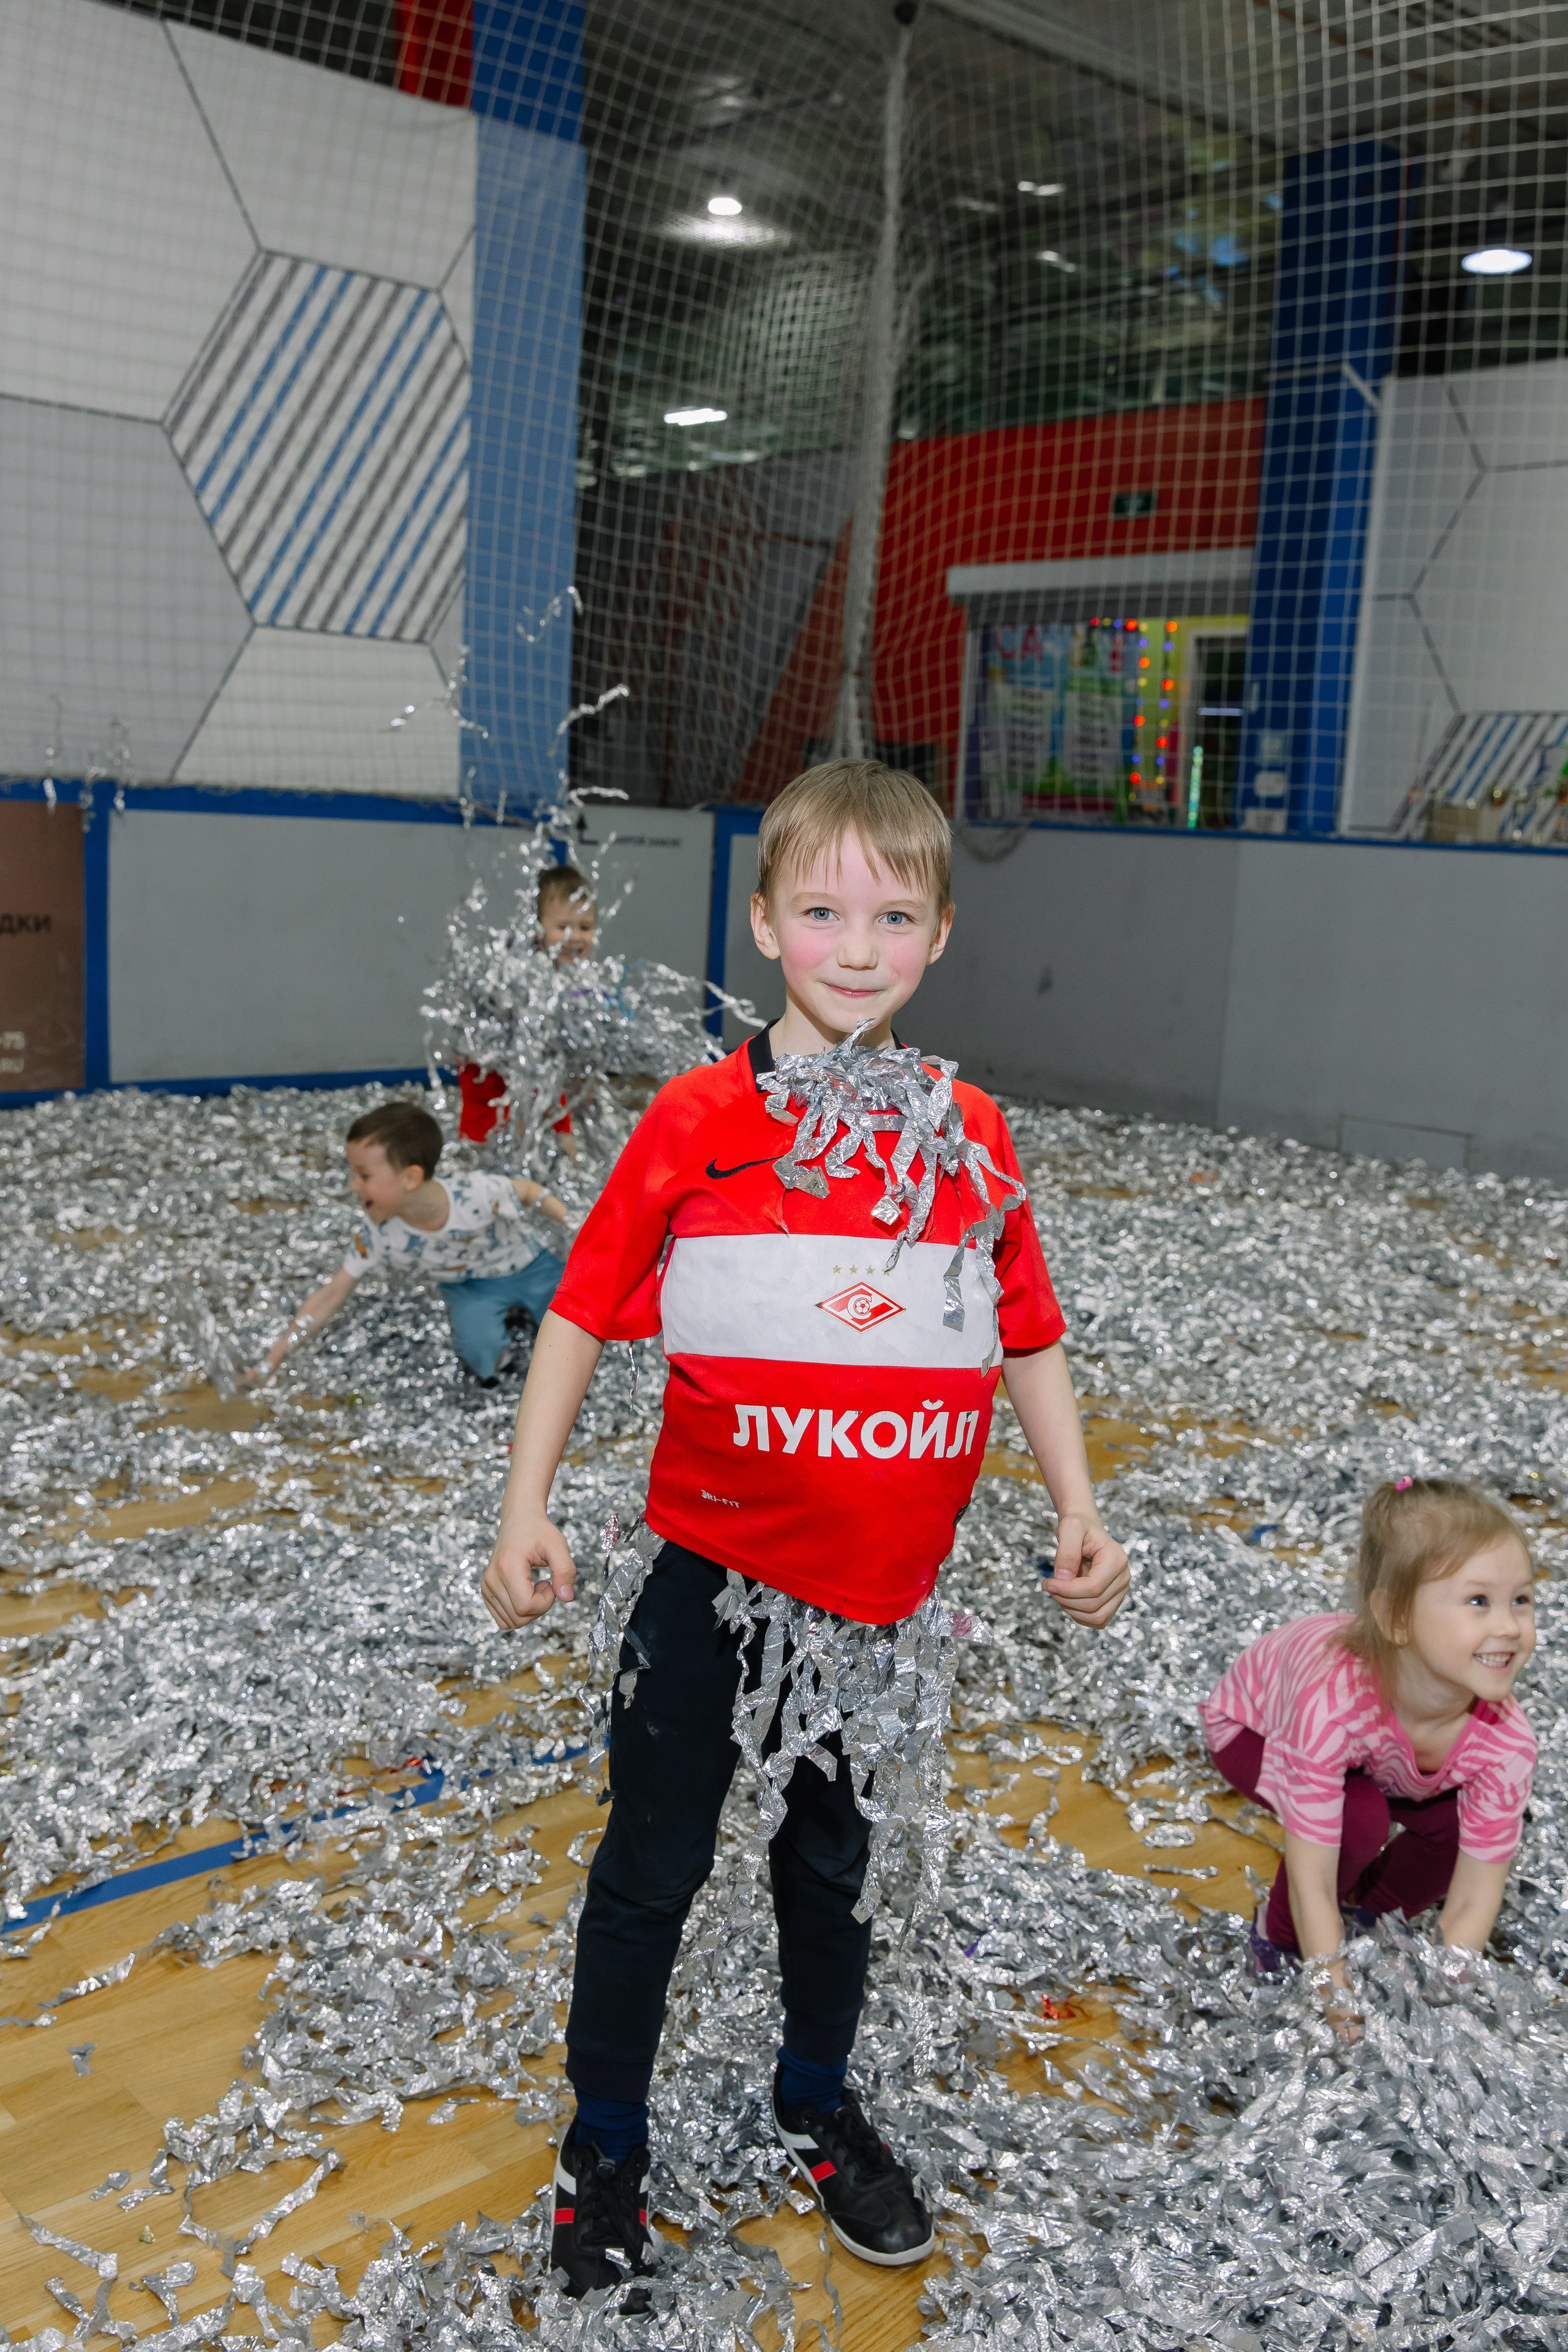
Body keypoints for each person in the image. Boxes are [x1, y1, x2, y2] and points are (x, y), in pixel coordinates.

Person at [479, 760, 1131, 2305]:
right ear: (764, 921)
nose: (856, 943)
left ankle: (815, 2097)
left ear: (939, 935)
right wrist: (524, 1503)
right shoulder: (700, 1120)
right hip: (709, 1589)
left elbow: (1022, 1330)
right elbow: (578, 1308)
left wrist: (1078, 1503)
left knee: (831, 1873)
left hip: (878, 1612)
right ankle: (608, 2148)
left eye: (892, 913)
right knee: (648, 1874)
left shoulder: (966, 1134)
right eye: (822, 909)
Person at [1204, 1476, 1537, 2019]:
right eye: (1479, 1601)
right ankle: (1277, 1937)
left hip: (1382, 1754)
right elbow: (1312, 1878)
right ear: (1397, 1618)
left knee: (1455, 1827)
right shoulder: (1331, 1707)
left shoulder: (1507, 1740)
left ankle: (1369, 1917)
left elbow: (1476, 1895)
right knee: (1358, 1819)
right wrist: (1334, 1998)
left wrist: (1440, 1999)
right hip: (1256, 1728)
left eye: (1521, 1599)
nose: (1508, 1625)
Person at [253, 1099, 569, 1390]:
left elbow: (527, 1192)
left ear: (411, 1178)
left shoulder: (474, 1194)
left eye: (364, 1176)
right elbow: (333, 1293)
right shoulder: (380, 1232)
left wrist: (569, 1220)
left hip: (530, 1267)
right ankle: (506, 1366)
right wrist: (274, 1358)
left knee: (574, 1321)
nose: (353, 1186)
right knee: (479, 1352)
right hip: (469, 1286)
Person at [458, 864, 596, 1145]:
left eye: (585, 927)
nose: (576, 937)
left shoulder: (581, 977)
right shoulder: (523, 973)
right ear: (536, 929)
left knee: (554, 1116)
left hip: (542, 1065)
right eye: (563, 927)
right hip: (489, 1072)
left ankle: (558, 1153)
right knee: (496, 1137)